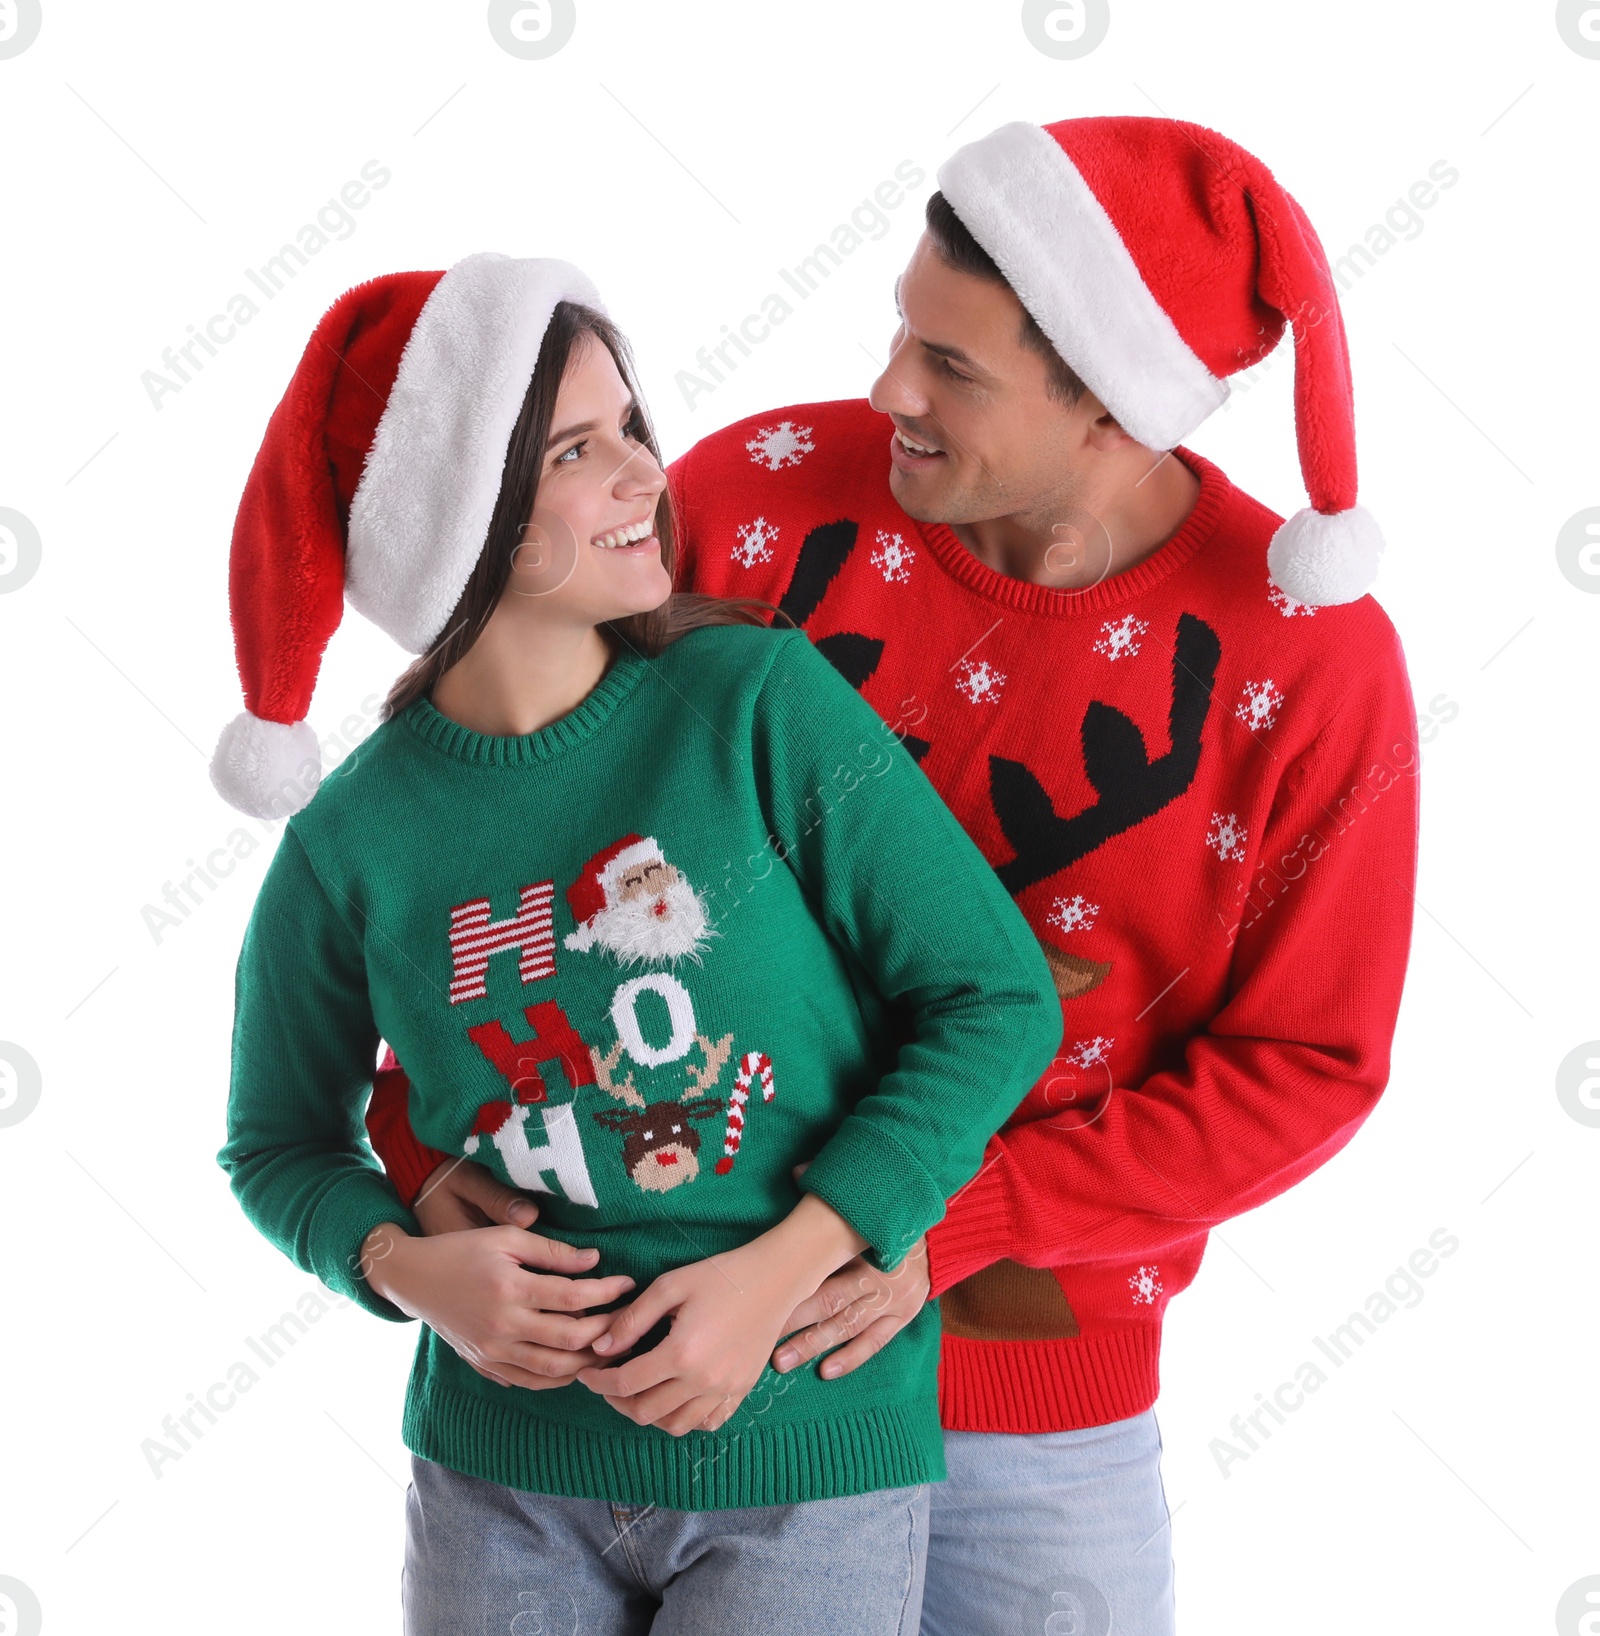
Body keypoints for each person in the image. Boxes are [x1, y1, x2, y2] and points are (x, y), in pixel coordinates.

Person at [367, 118, 1421, 1634]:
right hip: (661, 1356)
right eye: (901, 333)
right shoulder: (758, 501)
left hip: (1026, 1401)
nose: (888, 391)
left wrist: (966, 1213)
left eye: (953, 367)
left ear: (1115, 406)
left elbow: (1305, 1062)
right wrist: (422, 1146)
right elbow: (498, 803)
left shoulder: (1308, 664)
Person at [211, 253, 1063, 1635]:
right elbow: (277, 1144)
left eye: (634, 429)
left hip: (808, 1460)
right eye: (573, 450)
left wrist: (790, 1260)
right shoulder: (349, 840)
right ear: (456, 514)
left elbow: (993, 998)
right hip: (500, 1485)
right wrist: (403, 1268)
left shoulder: (755, 705)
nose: (646, 475)